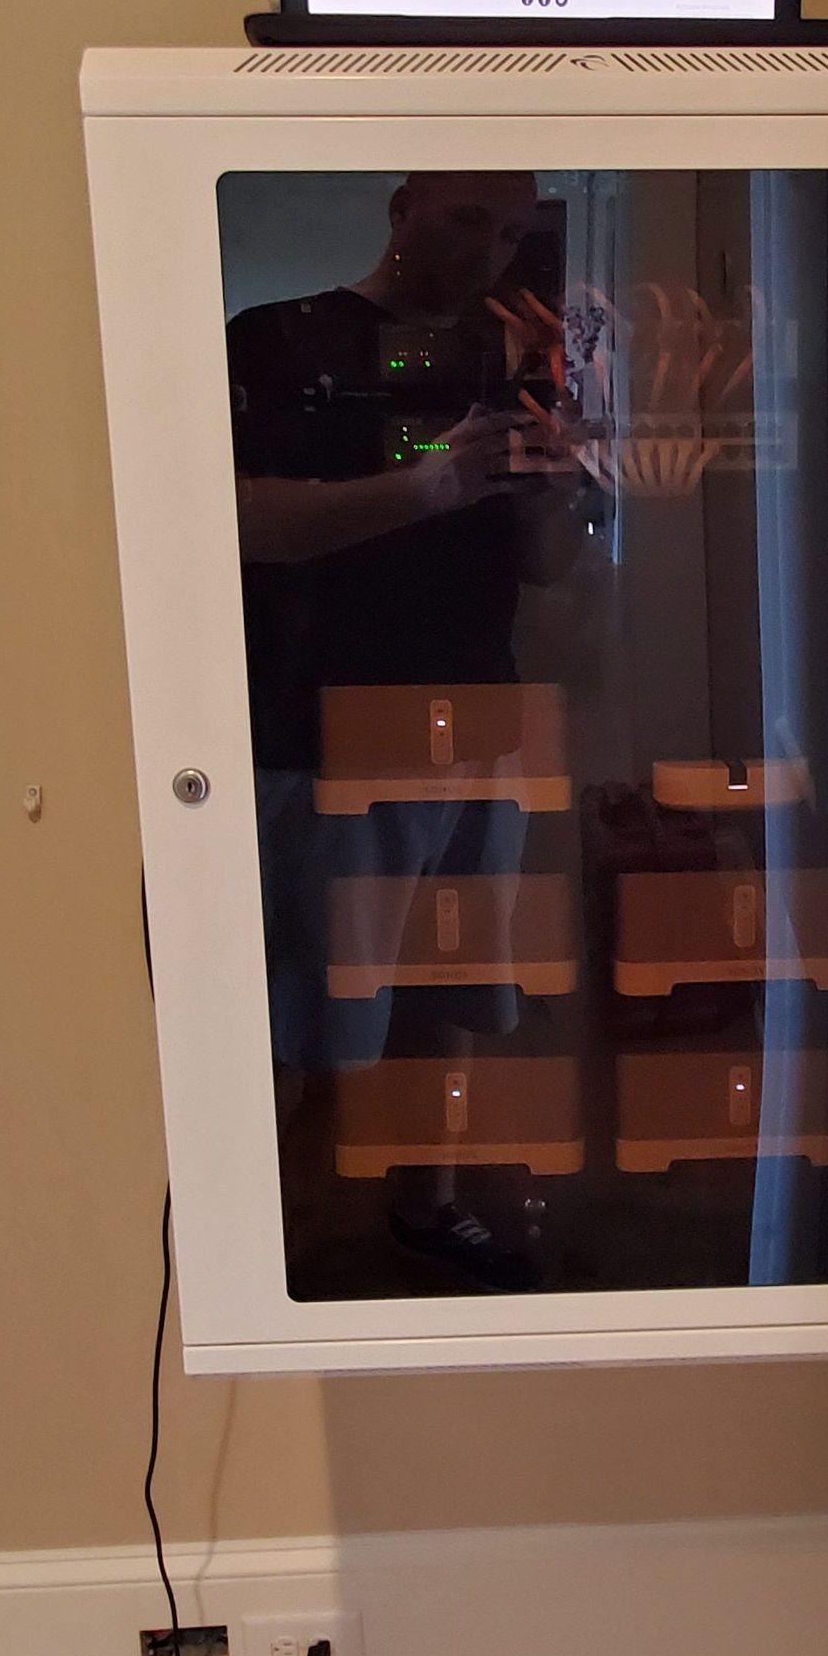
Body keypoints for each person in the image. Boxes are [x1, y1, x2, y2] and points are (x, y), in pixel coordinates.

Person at [225, 171, 585, 1290]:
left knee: (452, 991)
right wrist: (424, 486)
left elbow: (545, 565)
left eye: (512, 230)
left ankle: (427, 1209)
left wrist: (549, 489)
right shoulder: (276, 341)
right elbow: (239, 520)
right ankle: (261, 1252)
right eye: (470, 218)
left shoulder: (510, 360)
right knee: (294, 1011)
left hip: (476, 718)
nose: (490, 251)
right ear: (402, 206)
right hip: (322, 726)